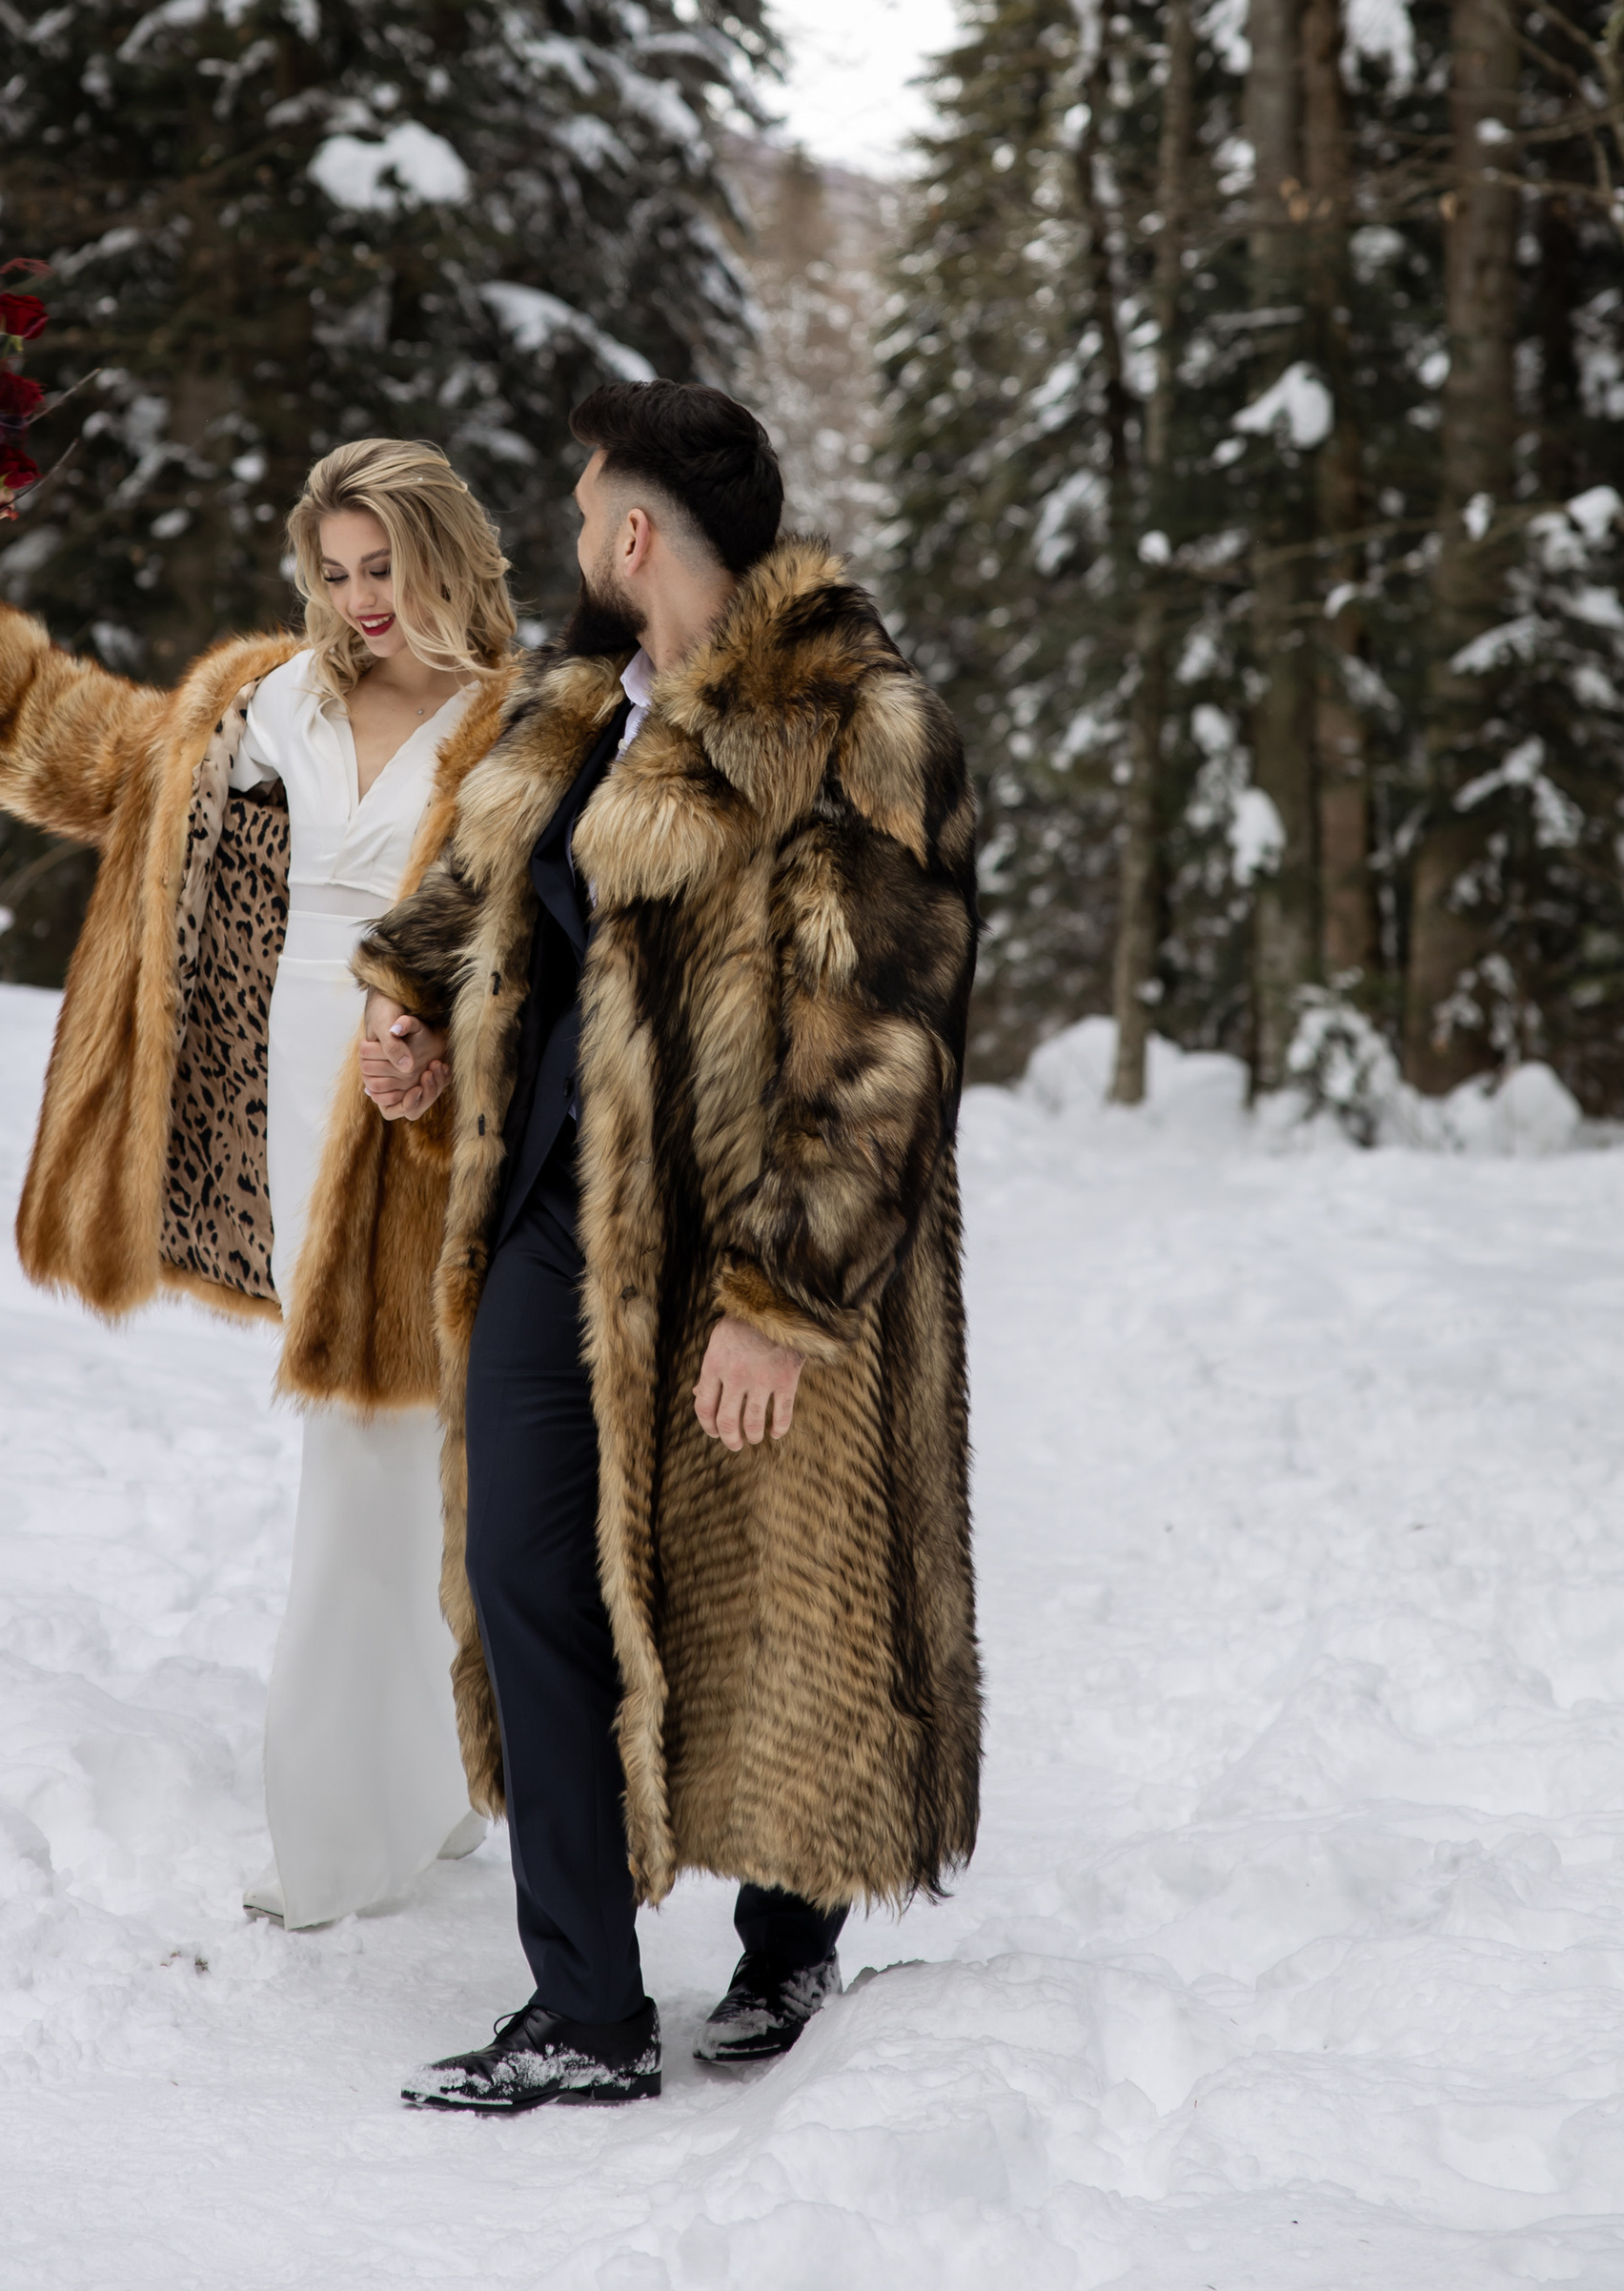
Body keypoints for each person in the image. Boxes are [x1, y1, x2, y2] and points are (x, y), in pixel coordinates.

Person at [355, 379, 983, 2113]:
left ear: (636, 534)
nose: (569, 542)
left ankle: (791, 1943)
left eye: (579, 511)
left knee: (788, 1588)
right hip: (561, 1203)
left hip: (758, 1232)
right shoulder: (574, 706)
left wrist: (781, 1303)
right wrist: (416, 1009)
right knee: (526, 1571)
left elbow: (884, 1035)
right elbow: (484, 900)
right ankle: (584, 2006)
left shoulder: (854, 720)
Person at [0, 436, 518, 1929]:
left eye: (388, 568)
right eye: (336, 571)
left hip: (437, 1119)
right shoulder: (261, 703)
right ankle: (375, 1819)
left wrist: (446, 1031)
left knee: (416, 1451)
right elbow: (90, 753)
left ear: (450, 556)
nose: (362, 601)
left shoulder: (528, 727)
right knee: (373, 1442)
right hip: (281, 1096)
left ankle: (377, 1816)